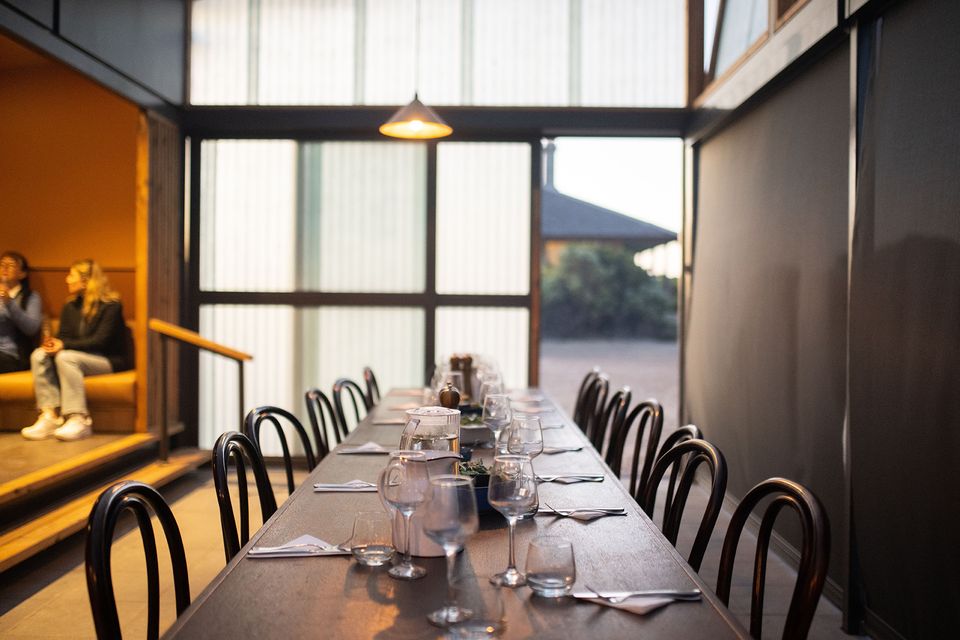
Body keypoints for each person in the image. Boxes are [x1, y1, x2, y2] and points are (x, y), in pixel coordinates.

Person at [21, 259, 132, 441]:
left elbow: (101, 342)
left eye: (71, 275)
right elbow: (64, 336)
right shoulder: (70, 306)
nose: (67, 280)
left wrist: (64, 346)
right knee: (39, 355)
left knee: (66, 357)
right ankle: (50, 416)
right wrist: (53, 344)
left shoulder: (111, 305)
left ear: (86, 280)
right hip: (74, 355)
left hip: (106, 360)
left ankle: (78, 418)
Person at [0, 251, 43, 374]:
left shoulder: (31, 297)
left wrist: (9, 302)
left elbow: (31, 328)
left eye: (11, 265)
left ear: (22, 274)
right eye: (2, 264)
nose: (5, 268)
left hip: (12, 355)